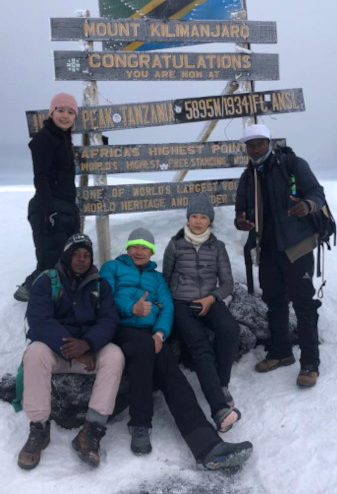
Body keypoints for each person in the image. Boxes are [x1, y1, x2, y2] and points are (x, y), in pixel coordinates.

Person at [100, 227, 253, 472]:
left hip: (150, 335)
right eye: (135, 246)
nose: (139, 251)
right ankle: (140, 424)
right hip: (120, 329)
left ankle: (208, 447)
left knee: (174, 378)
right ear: (127, 249)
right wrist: (132, 308)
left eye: (145, 248)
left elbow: (168, 308)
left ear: (151, 252)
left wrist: (160, 333)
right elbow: (105, 298)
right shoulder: (112, 268)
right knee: (143, 349)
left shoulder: (158, 278)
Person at [17, 233, 125, 470]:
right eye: (76, 254)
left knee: (115, 355)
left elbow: (109, 320)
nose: (81, 259)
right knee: (34, 353)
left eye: (86, 255)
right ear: (66, 256)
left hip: (88, 352)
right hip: (58, 351)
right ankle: (39, 428)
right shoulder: (47, 281)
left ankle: (91, 430)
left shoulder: (100, 284)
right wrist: (74, 349)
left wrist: (88, 343)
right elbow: (38, 320)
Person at [234, 123, 325, 388]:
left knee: (303, 304)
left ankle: (310, 363)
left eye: (259, 143)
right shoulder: (247, 177)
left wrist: (307, 206)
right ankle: (280, 352)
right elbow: (241, 211)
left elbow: (317, 193)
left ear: (269, 142)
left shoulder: (293, 164)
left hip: (297, 246)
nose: (254, 148)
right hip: (268, 248)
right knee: (274, 301)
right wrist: (242, 222)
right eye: (250, 145)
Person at [162, 192, 241, 433]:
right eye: (194, 216)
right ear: (188, 218)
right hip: (181, 303)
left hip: (210, 300)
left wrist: (210, 298)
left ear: (210, 220)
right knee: (199, 345)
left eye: (203, 217)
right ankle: (219, 409)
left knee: (230, 329)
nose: (197, 221)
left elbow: (228, 283)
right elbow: (165, 280)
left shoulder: (218, 247)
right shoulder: (175, 244)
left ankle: (222, 384)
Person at [14, 93, 80, 302]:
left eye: (70, 112)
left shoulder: (62, 138)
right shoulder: (44, 138)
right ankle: (32, 293)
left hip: (65, 207)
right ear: (52, 112)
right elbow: (40, 178)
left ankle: (53, 293)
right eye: (60, 110)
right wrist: (50, 211)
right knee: (48, 259)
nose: (65, 116)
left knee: (62, 257)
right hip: (48, 208)